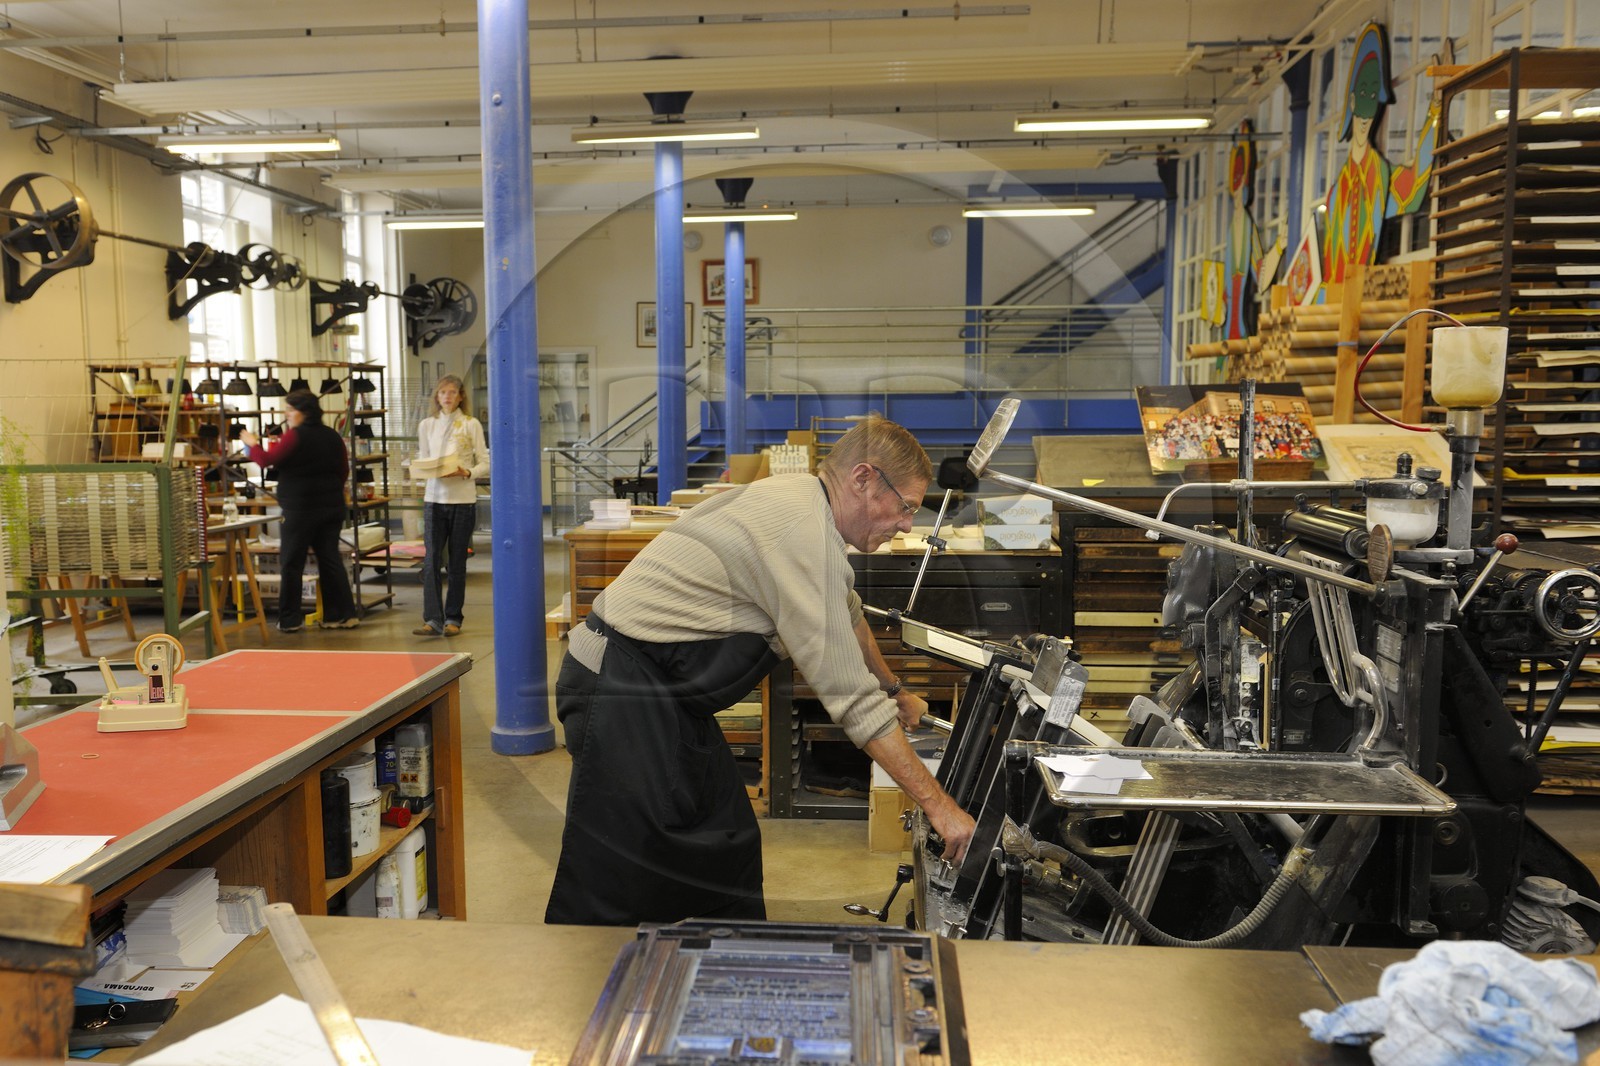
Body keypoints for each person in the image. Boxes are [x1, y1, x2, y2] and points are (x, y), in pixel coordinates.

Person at [545, 415, 977, 926]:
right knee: (623, 873)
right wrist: (939, 806)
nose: (907, 523)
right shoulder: (799, 528)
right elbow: (852, 704)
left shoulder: (808, 504)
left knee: (725, 842)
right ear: (863, 479)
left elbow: (848, 609)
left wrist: (896, 688)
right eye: (905, 506)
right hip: (617, 692)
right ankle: (595, 988)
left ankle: (715, 966)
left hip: (663, 696)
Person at [239, 389, 360, 632]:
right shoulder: (332, 436)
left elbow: (266, 460)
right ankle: (343, 614)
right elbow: (343, 471)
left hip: (301, 508)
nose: (287, 415)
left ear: (303, 412)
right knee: (330, 560)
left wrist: (252, 445)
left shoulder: (295, 436)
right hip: (332, 506)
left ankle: (290, 618)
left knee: (292, 562)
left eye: (290, 410)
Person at [412, 375, 490, 637]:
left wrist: (466, 472)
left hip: (463, 500)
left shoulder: (471, 424)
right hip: (434, 500)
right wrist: (423, 469)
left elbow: (485, 462)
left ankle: (453, 618)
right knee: (431, 560)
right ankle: (432, 618)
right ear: (436, 396)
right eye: (442, 392)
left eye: (452, 392)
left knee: (457, 562)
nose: (447, 396)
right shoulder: (426, 425)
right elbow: (423, 458)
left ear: (460, 397)